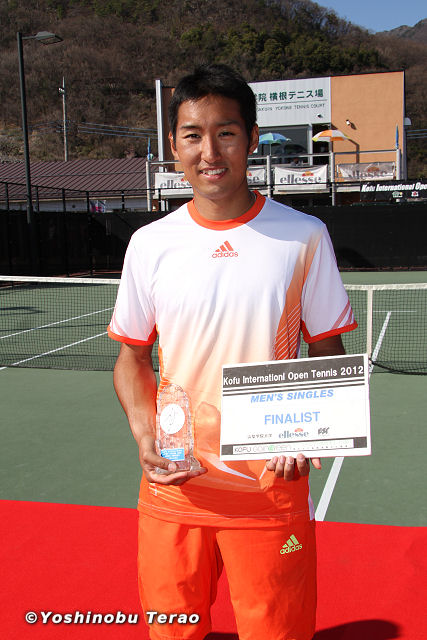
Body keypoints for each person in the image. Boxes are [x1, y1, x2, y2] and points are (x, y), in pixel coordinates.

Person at [108, 64, 357, 640]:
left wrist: (307, 432)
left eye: (226, 132)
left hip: (270, 487)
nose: (210, 151)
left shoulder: (303, 236)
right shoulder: (149, 245)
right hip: (176, 484)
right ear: (174, 146)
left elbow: (327, 347)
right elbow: (131, 357)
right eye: (193, 135)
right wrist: (145, 436)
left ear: (251, 139)